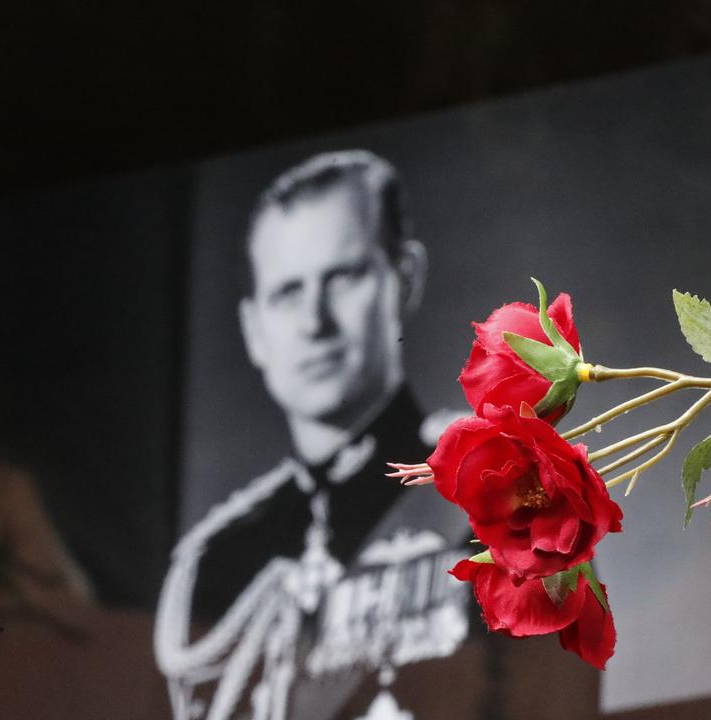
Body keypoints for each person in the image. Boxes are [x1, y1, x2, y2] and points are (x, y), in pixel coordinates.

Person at [154, 151, 478, 720]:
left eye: (342, 278)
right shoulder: (213, 561)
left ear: (403, 280)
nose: (314, 322)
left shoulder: (496, 479)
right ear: (254, 331)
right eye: (287, 293)